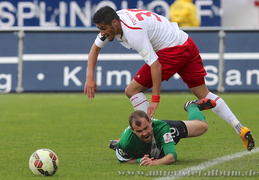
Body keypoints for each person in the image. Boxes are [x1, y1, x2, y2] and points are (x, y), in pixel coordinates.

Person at [84, 6, 254, 151]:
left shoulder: (133, 32)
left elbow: (155, 65)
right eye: (100, 29)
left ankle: (152, 138)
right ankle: (239, 128)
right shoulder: (114, 20)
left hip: (172, 51)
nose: (102, 33)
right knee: (204, 94)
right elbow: (94, 49)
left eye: (103, 28)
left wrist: (155, 99)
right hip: (185, 41)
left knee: (132, 90)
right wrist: (90, 77)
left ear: (114, 23)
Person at [109, 98, 215, 165]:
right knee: (143, 152)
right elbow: (123, 160)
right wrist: (138, 160)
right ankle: (117, 144)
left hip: (161, 133)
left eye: (146, 128)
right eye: (139, 131)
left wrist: (155, 163)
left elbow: (172, 156)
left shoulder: (163, 128)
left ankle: (191, 106)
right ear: (133, 130)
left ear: (150, 122)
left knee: (202, 127)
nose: (144, 133)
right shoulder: (126, 141)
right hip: (139, 146)